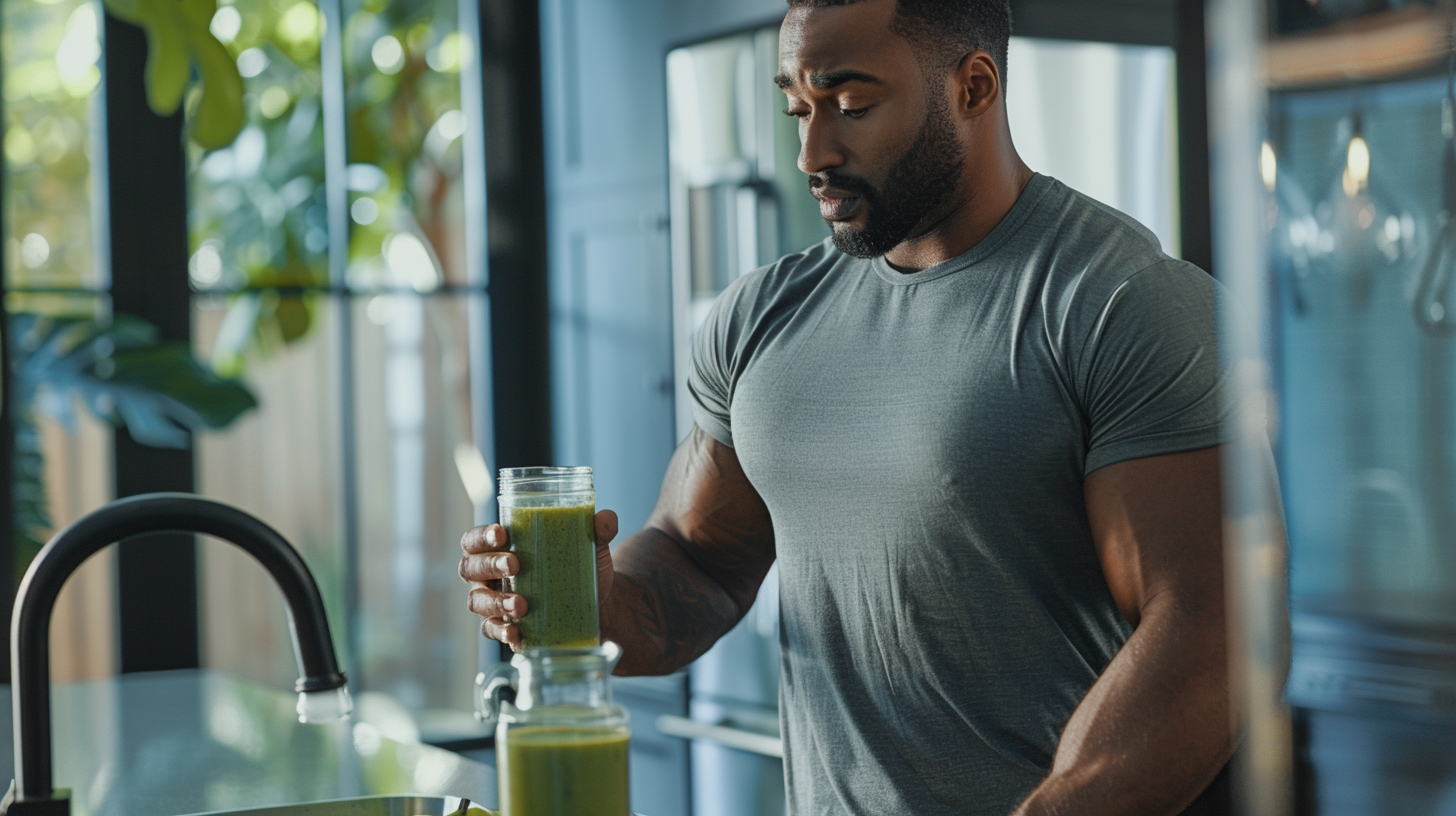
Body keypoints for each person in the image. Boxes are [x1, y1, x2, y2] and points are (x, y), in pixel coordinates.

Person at [461, 0, 1250, 813]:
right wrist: (595, 603)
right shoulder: (760, 318)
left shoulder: (1120, 302)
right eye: (798, 108)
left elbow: (1215, 640)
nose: (812, 150)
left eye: (852, 105)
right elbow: (699, 563)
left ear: (974, 87)